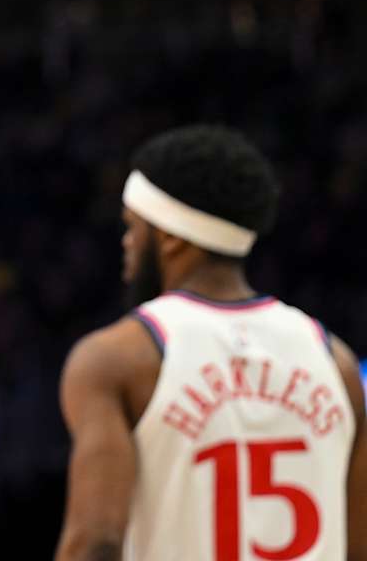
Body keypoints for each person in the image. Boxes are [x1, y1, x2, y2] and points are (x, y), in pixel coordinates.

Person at [55, 125, 367, 561]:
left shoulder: (117, 358)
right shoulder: (338, 362)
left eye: (133, 228)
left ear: (170, 237)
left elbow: (94, 543)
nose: (126, 244)